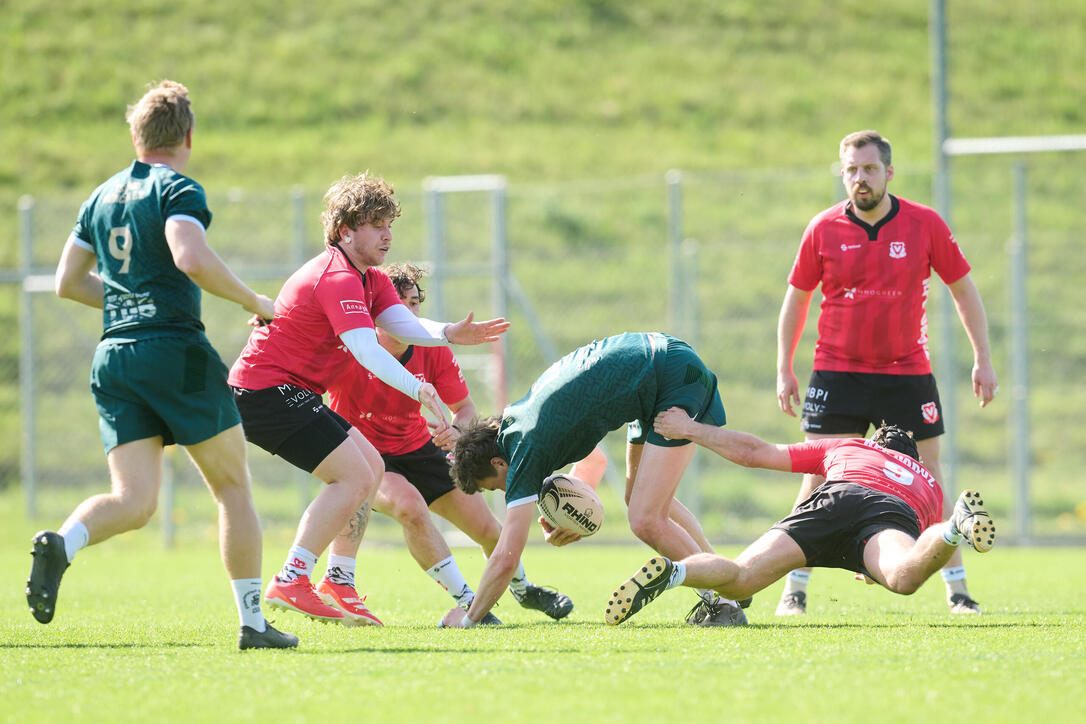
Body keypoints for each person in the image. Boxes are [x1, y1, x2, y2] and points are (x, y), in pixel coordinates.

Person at [27, 80, 297, 650]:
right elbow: (189, 256)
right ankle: (253, 624)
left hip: (115, 357)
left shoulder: (98, 197)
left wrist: (129, 299)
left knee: (133, 501)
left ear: (136, 135)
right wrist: (255, 301)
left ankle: (64, 542)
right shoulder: (178, 189)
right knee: (232, 488)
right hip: (174, 351)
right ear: (188, 136)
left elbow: (66, 283)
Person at [228, 173, 508, 625]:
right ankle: (292, 578)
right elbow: (365, 348)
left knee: (369, 470)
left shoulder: (370, 278)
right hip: (266, 392)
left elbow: (401, 325)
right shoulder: (337, 277)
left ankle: (336, 578)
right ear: (345, 231)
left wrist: (449, 333)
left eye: (389, 223)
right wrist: (416, 387)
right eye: (375, 224)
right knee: (353, 476)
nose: (388, 234)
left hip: (287, 392)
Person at [775, 130, 998, 616]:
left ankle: (958, 591)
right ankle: (793, 589)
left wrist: (982, 356)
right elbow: (797, 299)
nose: (860, 179)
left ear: (889, 173)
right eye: (851, 170)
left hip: (906, 372)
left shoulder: (924, 224)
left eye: (869, 169)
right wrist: (784, 367)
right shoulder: (822, 228)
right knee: (817, 476)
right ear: (842, 173)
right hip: (837, 372)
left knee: (930, 476)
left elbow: (964, 290)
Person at [441, 332, 749, 629]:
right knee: (639, 500)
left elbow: (506, 558)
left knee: (646, 519)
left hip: (665, 374)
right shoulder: (516, 423)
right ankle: (730, 581)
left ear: (497, 462)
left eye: (496, 485)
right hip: (656, 363)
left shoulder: (524, 449)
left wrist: (471, 619)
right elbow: (593, 459)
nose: (506, 491)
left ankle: (724, 601)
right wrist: (568, 510)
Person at [324, 263, 574, 624]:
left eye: (414, 303)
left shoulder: (433, 349)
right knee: (410, 507)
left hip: (419, 448)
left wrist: (457, 431)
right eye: (400, 304)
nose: (409, 312)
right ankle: (471, 603)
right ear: (376, 310)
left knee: (489, 531)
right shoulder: (351, 345)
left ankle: (524, 590)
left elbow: (465, 408)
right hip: (367, 456)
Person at [605, 410, 996, 626]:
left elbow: (755, 452)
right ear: (912, 458)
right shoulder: (926, 482)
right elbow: (913, 552)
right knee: (904, 577)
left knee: (739, 581)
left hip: (835, 498)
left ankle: (675, 572)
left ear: (875, 444)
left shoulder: (851, 446)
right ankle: (953, 525)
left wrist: (691, 429)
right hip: (888, 515)